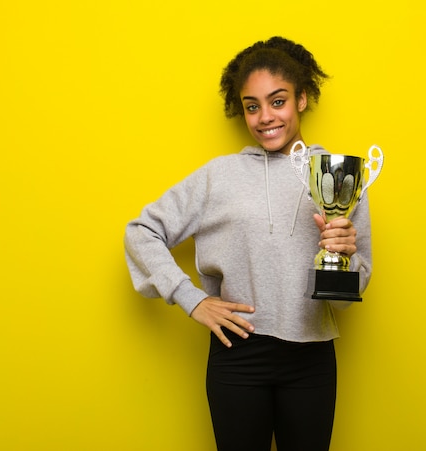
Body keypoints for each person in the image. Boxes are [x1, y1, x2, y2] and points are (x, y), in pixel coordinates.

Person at [124, 36, 373, 451]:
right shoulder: (219, 176)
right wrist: (191, 298)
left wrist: (346, 256)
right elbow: (141, 231)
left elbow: (349, 298)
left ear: (302, 99)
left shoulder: (339, 172)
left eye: (278, 101)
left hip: (311, 359)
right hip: (237, 355)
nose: (264, 117)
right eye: (252, 106)